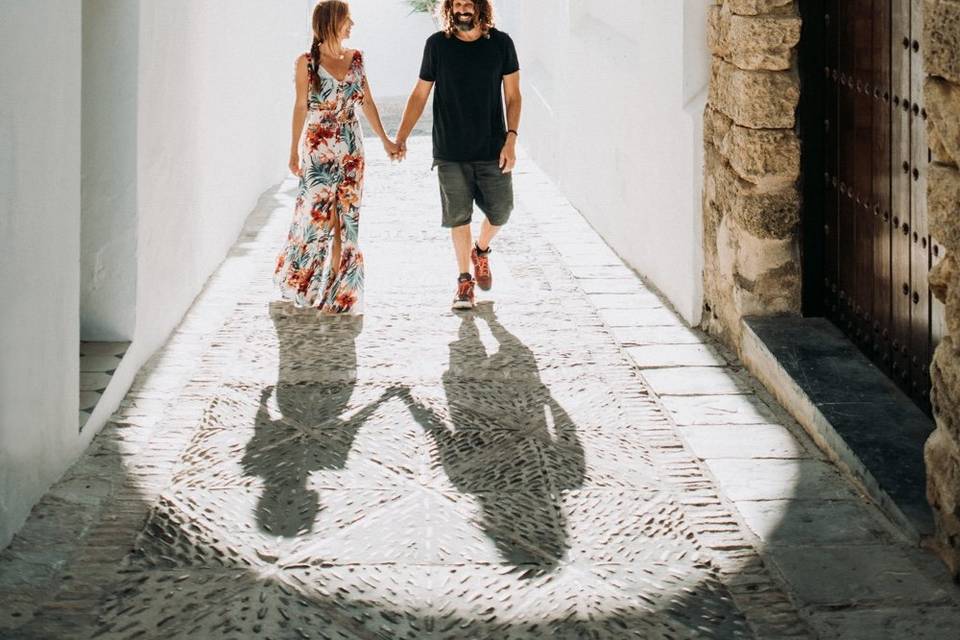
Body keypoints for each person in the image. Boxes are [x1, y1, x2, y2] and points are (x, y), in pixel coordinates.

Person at [394, 0, 522, 310]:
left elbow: (514, 96)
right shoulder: (437, 45)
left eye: (468, 2)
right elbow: (420, 94)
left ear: (480, 6)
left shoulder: (501, 44)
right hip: (450, 149)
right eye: (456, 3)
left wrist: (511, 140)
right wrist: (401, 137)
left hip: (492, 147)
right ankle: (464, 282)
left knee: (502, 211)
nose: (462, 8)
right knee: (458, 216)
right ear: (449, 8)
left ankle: (481, 250)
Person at [274, 0, 400, 314]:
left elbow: (367, 102)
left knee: (347, 220)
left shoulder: (356, 59)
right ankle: (305, 283)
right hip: (318, 149)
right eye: (348, 20)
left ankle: (337, 293)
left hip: (351, 147)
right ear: (332, 22)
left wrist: (386, 139)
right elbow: (300, 107)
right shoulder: (305, 63)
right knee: (318, 219)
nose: (352, 26)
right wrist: (292, 151)